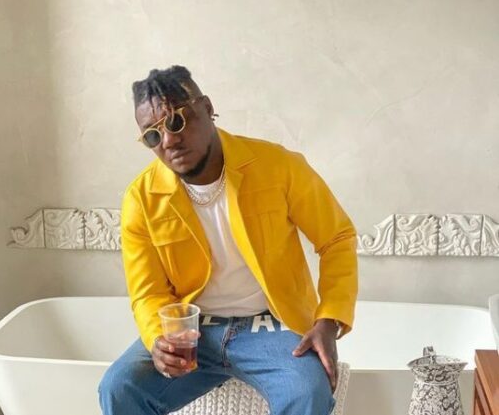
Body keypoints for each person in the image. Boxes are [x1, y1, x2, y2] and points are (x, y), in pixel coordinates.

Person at [98, 65, 358, 415]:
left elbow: (337, 238)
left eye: (176, 121)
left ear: (207, 108)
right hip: (194, 331)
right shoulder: (141, 198)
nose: (169, 141)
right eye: (153, 136)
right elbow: (148, 292)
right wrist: (159, 338)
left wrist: (329, 320)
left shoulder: (278, 166)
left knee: (307, 392)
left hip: (272, 325)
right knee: (119, 387)